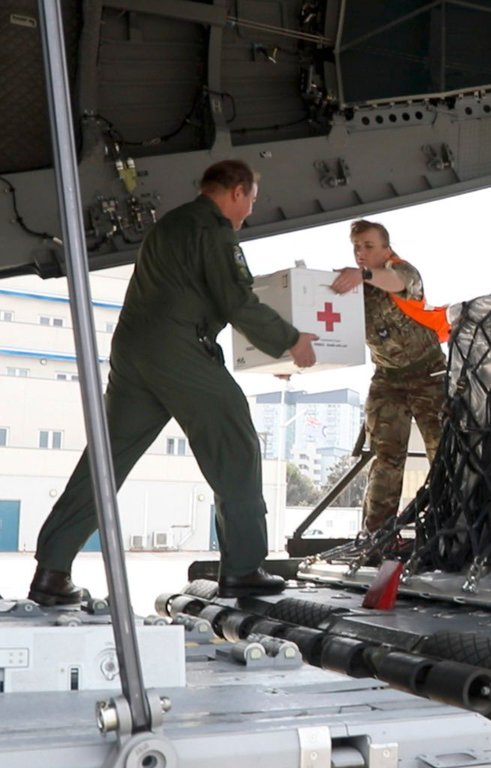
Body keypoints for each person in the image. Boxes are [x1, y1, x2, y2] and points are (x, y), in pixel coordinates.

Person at [28, 159, 319, 606]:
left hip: (133, 353)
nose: (249, 214)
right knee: (235, 442)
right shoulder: (213, 229)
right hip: (176, 352)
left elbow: (192, 299)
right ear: (236, 192)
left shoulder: (169, 226)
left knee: (106, 461)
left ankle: (52, 570)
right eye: (251, 202)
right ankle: (243, 569)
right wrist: (292, 341)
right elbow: (236, 300)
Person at [330, 219, 447, 533]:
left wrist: (363, 275)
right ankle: (377, 535)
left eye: (368, 246)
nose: (361, 253)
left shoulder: (403, 270)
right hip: (388, 379)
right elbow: (326, 325)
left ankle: (450, 529)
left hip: (430, 375)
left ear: (386, 247)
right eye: (356, 247)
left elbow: (395, 281)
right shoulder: (357, 289)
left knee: (444, 454)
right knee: (386, 458)